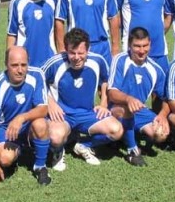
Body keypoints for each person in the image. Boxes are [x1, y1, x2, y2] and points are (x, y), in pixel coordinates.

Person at [43, 28, 123, 168]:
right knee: (56, 137)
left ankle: (83, 146)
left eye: (81, 53)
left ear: (88, 49)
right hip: (62, 116)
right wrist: (50, 103)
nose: (76, 57)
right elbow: (37, 82)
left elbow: (105, 80)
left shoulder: (98, 61)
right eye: (72, 53)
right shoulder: (55, 63)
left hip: (87, 113)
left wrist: (104, 102)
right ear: (66, 49)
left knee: (116, 130)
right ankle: (58, 152)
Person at [0, 46, 54, 187]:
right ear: (6, 65)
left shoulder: (37, 75)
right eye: (14, 65)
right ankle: (23, 151)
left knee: (40, 124)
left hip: (27, 126)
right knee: (4, 159)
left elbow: (43, 109)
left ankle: (40, 167)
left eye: (23, 65)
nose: (20, 70)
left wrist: (21, 117)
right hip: (6, 130)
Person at [107, 27, 170, 166]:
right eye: (137, 46)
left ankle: (126, 135)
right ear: (129, 45)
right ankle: (132, 150)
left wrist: (163, 115)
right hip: (117, 109)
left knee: (161, 134)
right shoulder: (120, 60)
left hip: (140, 111)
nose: (141, 51)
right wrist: (128, 99)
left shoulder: (156, 70)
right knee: (128, 109)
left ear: (150, 45)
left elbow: (167, 98)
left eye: (145, 46)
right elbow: (111, 93)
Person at [7, 0, 58, 68]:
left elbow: (58, 30)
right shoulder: (17, 2)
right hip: (26, 62)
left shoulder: (52, 0)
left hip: (50, 59)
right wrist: (9, 60)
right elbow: (12, 34)